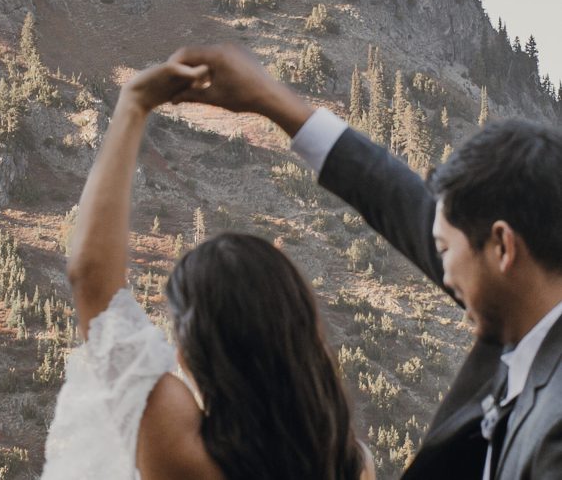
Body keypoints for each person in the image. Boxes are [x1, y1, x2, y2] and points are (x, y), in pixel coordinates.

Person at [169, 43, 562, 480]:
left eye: (446, 250)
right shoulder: (519, 323)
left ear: (503, 248)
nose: (443, 271)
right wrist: (270, 101)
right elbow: (395, 198)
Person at [41, 60, 375, 480]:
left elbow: (92, 280)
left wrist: (133, 103)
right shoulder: (351, 464)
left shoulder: (188, 458)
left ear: (188, 351)